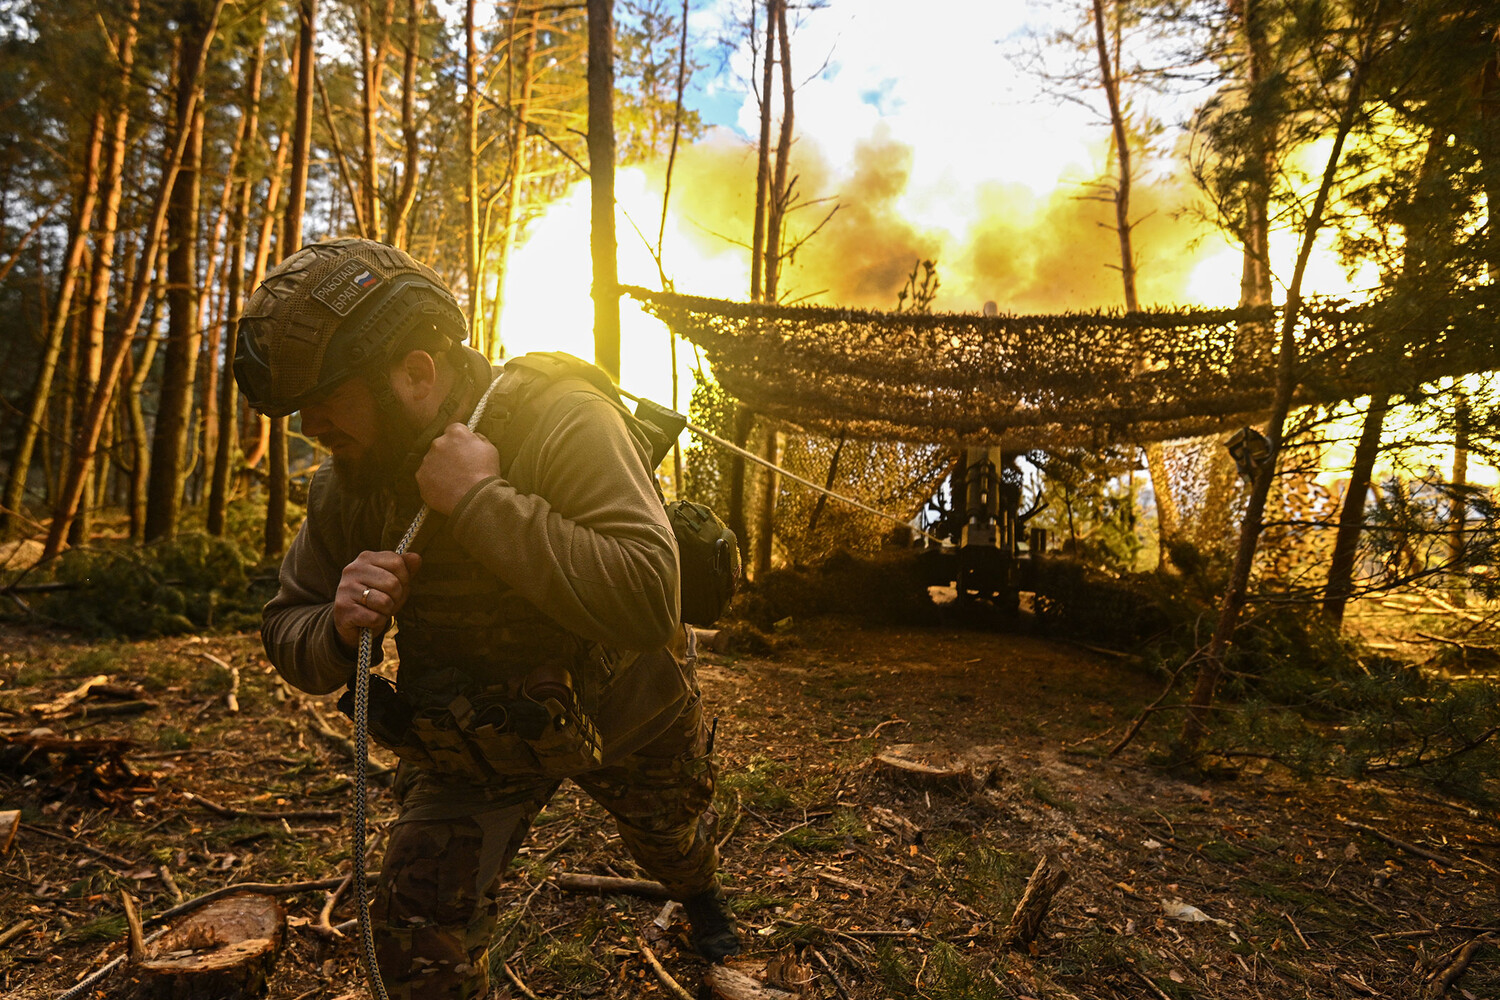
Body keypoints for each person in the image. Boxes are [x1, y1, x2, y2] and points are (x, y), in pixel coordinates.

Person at [233, 237, 740, 999]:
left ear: (414, 374)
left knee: (671, 841)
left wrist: (479, 501)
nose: (312, 427)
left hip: (630, 711)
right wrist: (336, 626)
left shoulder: (562, 417)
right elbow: (287, 626)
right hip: (476, 737)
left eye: (327, 399)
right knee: (413, 949)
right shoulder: (350, 482)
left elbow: (646, 597)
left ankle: (697, 892)